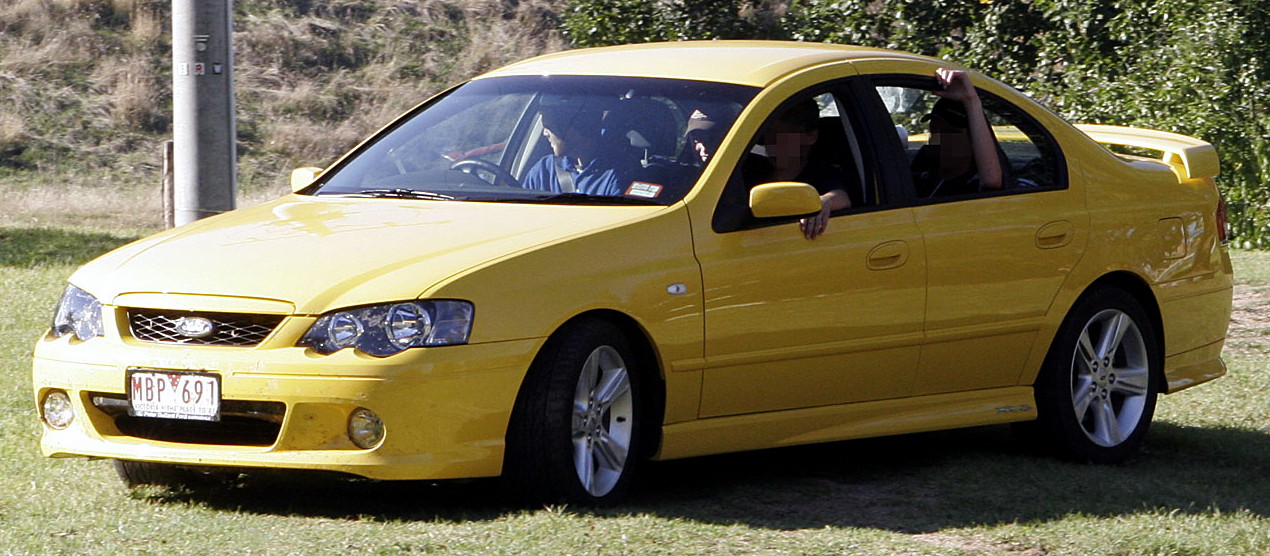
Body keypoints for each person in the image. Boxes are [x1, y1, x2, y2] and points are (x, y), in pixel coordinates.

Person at [744, 100, 852, 239]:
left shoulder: (821, 173)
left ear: (811, 136)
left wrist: (823, 202)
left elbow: (841, 197)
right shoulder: (753, 170)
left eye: (783, 135)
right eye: (769, 133)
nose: (772, 142)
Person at [911, 68, 1004, 197]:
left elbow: (991, 181)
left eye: (948, 133)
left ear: (972, 140)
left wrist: (971, 101)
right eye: (934, 130)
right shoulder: (925, 173)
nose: (938, 139)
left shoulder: (973, 184)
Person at [521, 104, 627, 196]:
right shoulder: (544, 170)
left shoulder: (617, 176)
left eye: (549, 127)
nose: (545, 133)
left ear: (574, 130)